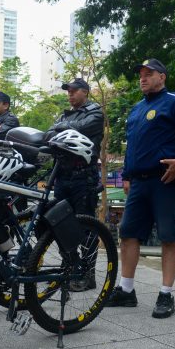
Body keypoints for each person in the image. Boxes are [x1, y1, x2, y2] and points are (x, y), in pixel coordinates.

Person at [107, 59, 175, 319]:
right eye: (140, 74)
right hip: (138, 182)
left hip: (166, 180)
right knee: (128, 234)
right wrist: (126, 176)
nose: (143, 78)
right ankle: (126, 290)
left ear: (162, 77)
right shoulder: (136, 110)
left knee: (169, 237)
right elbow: (132, 146)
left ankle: (166, 293)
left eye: (148, 74)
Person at [44, 77, 104, 292]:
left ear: (85, 92)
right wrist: (62, 127)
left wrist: (60, 126)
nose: (70, 94)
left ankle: (88, 275)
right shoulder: (64, 115)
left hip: (83, 177)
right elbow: (48, 136)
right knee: (59, 223)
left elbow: (80, 128)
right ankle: (69, 266)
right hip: (63, 175)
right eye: (68, 91)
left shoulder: (95, 112)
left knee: (86, 226)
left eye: (74, 90)